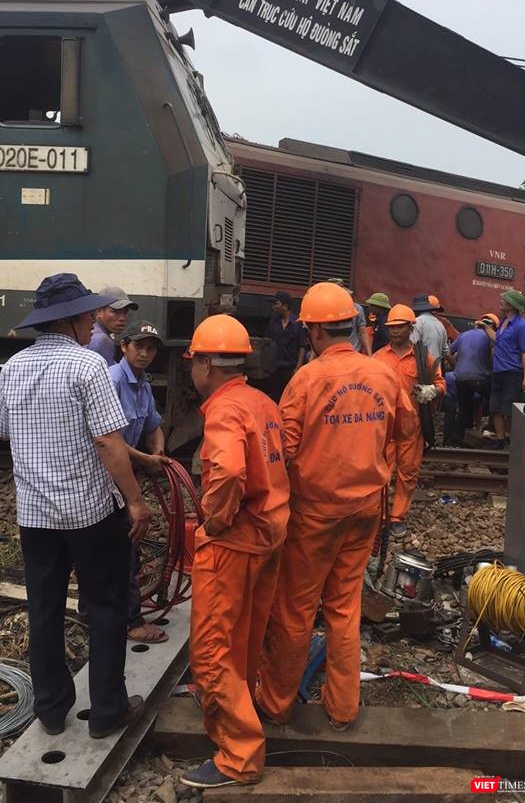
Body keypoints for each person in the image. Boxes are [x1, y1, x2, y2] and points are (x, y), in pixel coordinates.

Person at [256, 282, 414, 732]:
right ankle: (343, 708)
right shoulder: (383, 374)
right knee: (344, 608)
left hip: (316, 516)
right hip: (366, 510)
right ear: (350, 325)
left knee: (296, 609)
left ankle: (276, 704)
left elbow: (283, 448)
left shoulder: (307, 379)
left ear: (313, 331)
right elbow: (406, 432)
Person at [0, 274, 151, 739]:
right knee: (105, 608)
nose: (95, 323)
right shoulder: (87, 367)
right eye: (89, 315)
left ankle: (49, 708)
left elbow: (7, 434)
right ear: (71, 320)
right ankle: (107, 712)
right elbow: (110, 442)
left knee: (44, 608)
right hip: (89, 514)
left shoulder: (10, 369)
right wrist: (135, 500)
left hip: (35, 517)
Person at [181, 315, 289, 791]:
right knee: (243, 637)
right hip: (268, 536)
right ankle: (234, 703)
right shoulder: (262, 401)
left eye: (193, 363)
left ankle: (239, 756)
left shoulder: (224, 411)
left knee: (210, 650)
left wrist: (215, 521)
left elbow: (225, 474)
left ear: (205, 363)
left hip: (234, 542)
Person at [109, 321, 173, 644]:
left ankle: (101, 611)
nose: (146, 353)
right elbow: (112, 441)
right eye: (139, 347)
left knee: (120, 546)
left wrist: (157, 449)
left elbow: (152, 425)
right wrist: (146, 460)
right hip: (108, 477)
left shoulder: (143, 384)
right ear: (124, 347)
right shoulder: (113, 380)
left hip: (125, 475)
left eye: (151, 348)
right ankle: (131, 621)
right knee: (127, 546)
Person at [375, 304, 445, 536]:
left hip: (411, 426)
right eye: (391, 328)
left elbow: (441, 383)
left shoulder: (423, 357)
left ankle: (397, 517)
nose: (395, 332)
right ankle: (381, 515)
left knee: (408, 473)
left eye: (400, 327)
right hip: (383, 427)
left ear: (410, 327)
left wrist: (432, 391)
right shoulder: (378, 358)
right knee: (380, 472)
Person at [484, 290, 525, 448]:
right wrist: (485, 327)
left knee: (510, 410)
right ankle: (500, 440)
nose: (501, 301)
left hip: (512, 372)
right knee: (496, 408)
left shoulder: (521, 325)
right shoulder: (503, 322)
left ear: (512, 305)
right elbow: (497, 339)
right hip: (498, 371)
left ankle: (515, 442)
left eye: (505, 300)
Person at [449, 314, 498, 444]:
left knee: (464, 410)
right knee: (495, 403)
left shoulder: (463, 335)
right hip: (481, 378)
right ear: (492, 326)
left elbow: (448, 352)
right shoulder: (490, 336)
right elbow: (494, 355)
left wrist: (456, 368)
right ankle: (490, 430)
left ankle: (458, 439)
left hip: (461, 378)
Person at [265, 291, 308, 402]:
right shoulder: (273, 322)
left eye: (276, 304)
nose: (273, 307)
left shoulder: (298, 323)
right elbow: (268, 343)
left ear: (285, 306)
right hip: (276, 368)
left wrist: (298, 367)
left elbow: (302, 345)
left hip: (291, 367)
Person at [86, 285, 139, 365]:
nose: (122, 318)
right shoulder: (102, 340)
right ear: (99, 312)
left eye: (125, 312)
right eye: (115, 311)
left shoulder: (90, 333)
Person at [328, 278, 371, 355]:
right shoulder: (325, 309)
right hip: (330, 353)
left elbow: (363, 332)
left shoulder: (357, 308)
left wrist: (369, 354)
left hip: (352, 352)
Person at [410, 294, 449, 363]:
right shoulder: (440, 324)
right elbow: (446, 352)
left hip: (422, 369)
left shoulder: (417, 322)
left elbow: (412, 347)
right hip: (437, 369)